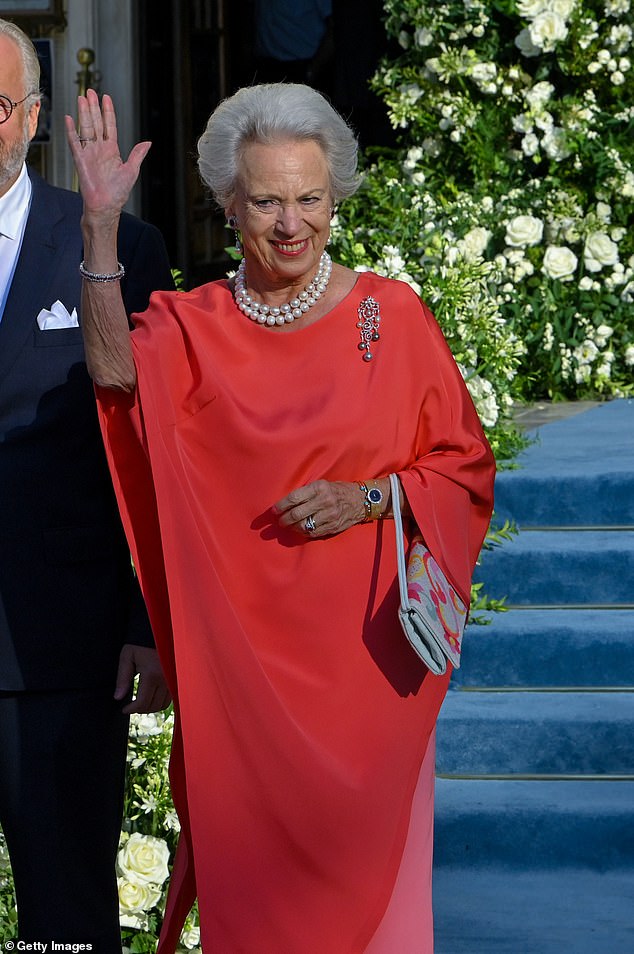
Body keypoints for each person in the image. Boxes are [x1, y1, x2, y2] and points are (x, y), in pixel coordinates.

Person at [65, 82, 496, 953]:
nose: (290, 222)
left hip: (368, 684)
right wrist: (100, 229)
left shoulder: (392, 316)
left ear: (335, 199)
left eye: (309, 198)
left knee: (384, 919)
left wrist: (369, 497)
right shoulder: (193, 326)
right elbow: (116, 375)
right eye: (266, 200)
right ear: (230, 205)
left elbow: (462, 468)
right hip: (242, 689)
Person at [0, 18, 173, 948]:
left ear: (30, 115)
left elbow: (153, 447)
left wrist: (146, 621)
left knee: (64, 923)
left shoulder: (117, 245)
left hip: (63, 653)